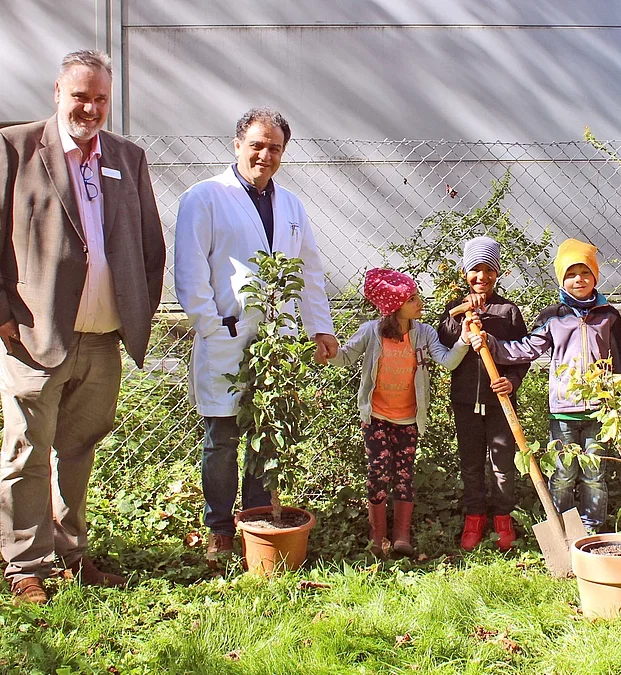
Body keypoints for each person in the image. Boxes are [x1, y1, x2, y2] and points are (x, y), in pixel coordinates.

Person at [0, 50, 166, 604]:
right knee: (28, 451)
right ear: (57, 93)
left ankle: (72, 554)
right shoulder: (16, 148)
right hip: (32, 335)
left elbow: (148, 244)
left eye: (100, 99)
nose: (90, 108)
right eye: (81, 96)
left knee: (78, 449)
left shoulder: (128, 157)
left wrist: (137, 312)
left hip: (101, 337)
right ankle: (25, 564)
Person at [174, 107, 337, 570]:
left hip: (277, 341)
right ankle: (221, 531)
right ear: (237, 144)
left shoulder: (291, 205)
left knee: (268, 433)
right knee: (222, 435)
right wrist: (212, 324)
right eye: (257, 145)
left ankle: (256, 520)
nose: (265, 155)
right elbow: (190, 271)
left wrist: (318, 327)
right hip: (227, 332)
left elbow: (309, 271)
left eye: (275, 148)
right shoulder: (204, 197)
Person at [471, 239, 621, 534]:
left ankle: (592, 530)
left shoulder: (609, 316)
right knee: (562, 474)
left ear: (595, 276)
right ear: (562, 279)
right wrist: (491, 345)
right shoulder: (553, 316)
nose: (578, 279)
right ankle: (564, 529)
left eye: (584, 272)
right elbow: (527, 348)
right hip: (563, 411)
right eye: (571, 274)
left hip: (600, 411)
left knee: (595, 474)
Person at [329, 268, 473, 557]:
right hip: (377, 416)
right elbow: (345, 357)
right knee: (378, 471)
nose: (420, 303)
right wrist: (326, 352)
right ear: (395, 307)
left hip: (407, 418)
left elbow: (447, 361)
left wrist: (465, 339)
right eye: (412, 299)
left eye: (417, 296)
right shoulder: (372, 332)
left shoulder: (424, 333)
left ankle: (401, 536)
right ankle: (377, 536)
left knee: (404, 473)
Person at [438, 237, 529, 551]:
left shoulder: (508, 312)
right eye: (475, 269)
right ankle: (474, 517)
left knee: (503, 461)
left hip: (499, 400)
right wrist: (463, 324)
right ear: (465, 273)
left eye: (489, 270)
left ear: (497, 273)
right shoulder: (453, 311)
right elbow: (445, 344)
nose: (482, 276)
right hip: (465, 400)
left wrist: (513, 382)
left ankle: (503, 518)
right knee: (471, 462)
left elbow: (522, 354)